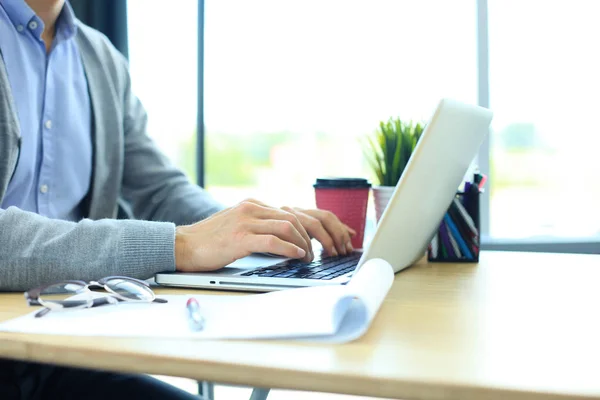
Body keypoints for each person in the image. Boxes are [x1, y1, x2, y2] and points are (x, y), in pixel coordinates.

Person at [0, 0, 355, 398]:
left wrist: (253, 227)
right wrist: (179, 244)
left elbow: (158, 189)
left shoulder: (98, 57)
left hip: (65, 351)